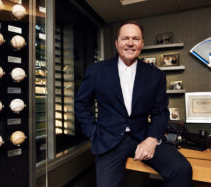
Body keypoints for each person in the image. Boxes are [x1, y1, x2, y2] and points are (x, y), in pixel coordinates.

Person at [75, 20, 192, 187]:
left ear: (142, 43)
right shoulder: (96, 71)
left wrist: (152, 139)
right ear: (117, 43)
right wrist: (94, 133)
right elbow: (81, 105)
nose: (130, 43)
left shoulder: (156, 75)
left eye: (136, 39)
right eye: (125, 38)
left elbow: (160, 112)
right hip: (108, 139)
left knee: (181, 169)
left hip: (144, 136)